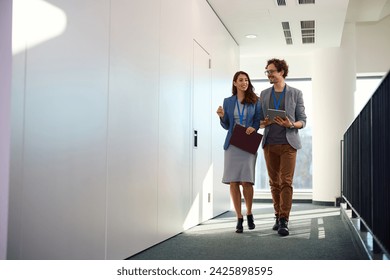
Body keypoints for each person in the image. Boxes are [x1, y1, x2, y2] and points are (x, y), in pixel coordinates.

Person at [259, 58, 307, 236]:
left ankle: (284, 220)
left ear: (281, 72)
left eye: (271, 71)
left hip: (289, 143)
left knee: (286, 182)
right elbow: (259, 118)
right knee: (274, 183)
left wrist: (291, 124)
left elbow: (303, 120)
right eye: (267, 72)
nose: (269, 74)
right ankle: (278, 215)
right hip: (270, 143)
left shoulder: (296, 93)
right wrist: (262, 122)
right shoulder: (264, 94)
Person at [216, 71, 261, 233]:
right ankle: (239, 218)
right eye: (241, 80)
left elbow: (257, 120)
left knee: (247, 182)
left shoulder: (255, 101)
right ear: (235, 83)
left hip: (247, 143)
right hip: (233, 144)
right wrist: (221, 117)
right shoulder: (228, 102)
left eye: (246, 80)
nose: (244, 83)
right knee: (233, 182)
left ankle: (249, 213)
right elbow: (227, 125)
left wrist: (253, 127)